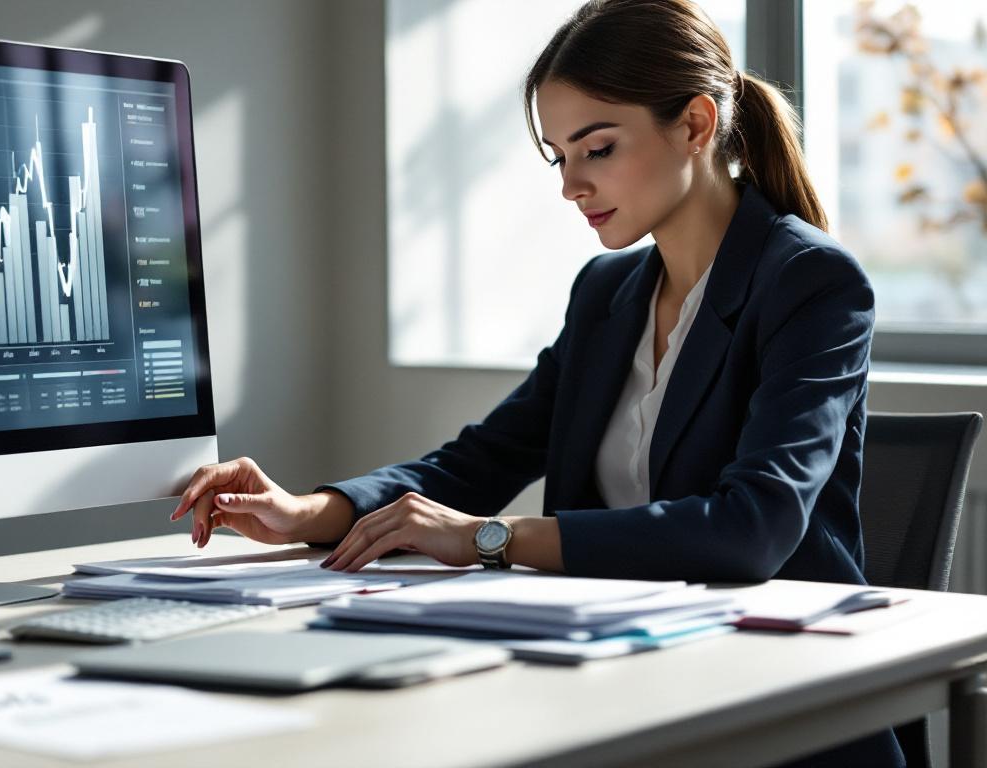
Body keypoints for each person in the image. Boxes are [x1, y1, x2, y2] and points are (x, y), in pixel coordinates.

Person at [172, 1, 902, 765]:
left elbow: (753, 527)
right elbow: (476, 463)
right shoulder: (607, 295)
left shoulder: (810, 283)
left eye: (598, 148)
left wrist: (493, 540)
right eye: (560, 157)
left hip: (779, 707)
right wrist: (305, 511)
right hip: (620, 686)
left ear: (694, 124)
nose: (572, 187)